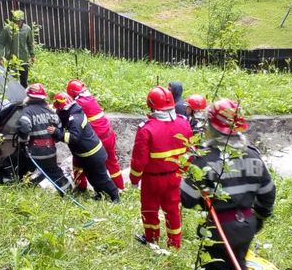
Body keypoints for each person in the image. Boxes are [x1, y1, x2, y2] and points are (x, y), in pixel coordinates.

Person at [180, 99, 275, 270]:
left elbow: (187, 199)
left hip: (218, 230)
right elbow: (268, 193)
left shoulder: (203, 159)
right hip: (246, 227)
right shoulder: (253, 156)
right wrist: (258, 219)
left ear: (211, 126)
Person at [130, 86, 193, 248]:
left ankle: (151, 239)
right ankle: (175, 244)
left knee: (150, 210)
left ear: (151, 106)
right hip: (175, 177)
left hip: (152, 180)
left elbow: (139, 160)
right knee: (173, 211)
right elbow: (190, 152)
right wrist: (183, 171)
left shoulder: (146, 129)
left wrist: (134, 179)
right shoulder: (184, 123)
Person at [52, 92, 119, 202]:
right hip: (85, 155)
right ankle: (99, 194)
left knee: (102, 178)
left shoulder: (75, 118)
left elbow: (73, 138)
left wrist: (56, 133)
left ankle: (115, 195)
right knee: (92, 178)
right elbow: (61, 120)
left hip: (93, 154)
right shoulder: (69, 113)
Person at [66, 79, 124, 191]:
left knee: (78, 160)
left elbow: (65, 110)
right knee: (112, 162)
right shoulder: (91, 98)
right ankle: (120, 187)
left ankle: (81, 188)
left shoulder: (77, 104)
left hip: (96, 140)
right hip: (109, 134)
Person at [17, 83, 70, 194]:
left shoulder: (27, 111)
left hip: (34, 151)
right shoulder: (51, 112)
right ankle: (67, 191)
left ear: (29, 96)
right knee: (53, 171)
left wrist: (22, 141)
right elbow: (59, 129)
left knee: (23, 168)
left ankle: (19, 187)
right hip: (50, 150)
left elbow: (25, 126)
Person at [0, 9, 35, 87]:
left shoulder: (27, 29)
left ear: (22, 20)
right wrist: (0, 57)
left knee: (24, 82)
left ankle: (23, 97)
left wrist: (32, 55)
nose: (17, 23)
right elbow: (1, 44)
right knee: (11, 82)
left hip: (23, 60)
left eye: (19, 21)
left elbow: (30, 43)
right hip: (11, 60)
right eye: (15, 21)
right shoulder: (7, 29)